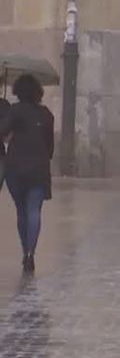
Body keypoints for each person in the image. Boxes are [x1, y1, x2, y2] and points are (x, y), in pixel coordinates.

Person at [0, 75, 54, 276]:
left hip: (15, 168)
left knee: (21, 211)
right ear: (38, 92)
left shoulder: (14, 111)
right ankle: (31, 252)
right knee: (34, 210)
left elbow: (1, 132)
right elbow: (50, 148)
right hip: (38, 169)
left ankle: (25, 251)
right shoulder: (47, 115)